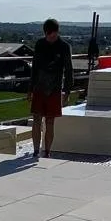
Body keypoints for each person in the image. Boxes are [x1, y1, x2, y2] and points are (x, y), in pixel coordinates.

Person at [29, 17, 74, 159]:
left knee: (50, 121)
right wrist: (30, 89)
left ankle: (47, 151)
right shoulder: (40, 44)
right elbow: (34, 67)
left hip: (54, 88)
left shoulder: (64, 46)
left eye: (53, 35)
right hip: (39, 87)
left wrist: (67, 91)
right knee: (36, 119)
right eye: (48, 35)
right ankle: (36, 150)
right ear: (45, 33)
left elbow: (69, 70)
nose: (50, 38)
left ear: (57, 32)